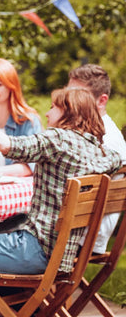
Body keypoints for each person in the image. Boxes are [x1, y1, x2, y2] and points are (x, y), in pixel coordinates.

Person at [0, 87, 122, 317]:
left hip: (33, 250)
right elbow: (118, 160)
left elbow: (7, 145)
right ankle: (4, 308)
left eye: (52, 107)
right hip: (65, 256)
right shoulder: (102, 153)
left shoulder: (57, 139)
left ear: (71, 113)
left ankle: (4, 310)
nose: (47, 114)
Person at [68, 63, 126, 254]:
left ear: (101, 101)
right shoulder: (87, 131)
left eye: (78, 96)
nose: (69, 101)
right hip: (82, 234)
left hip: (78, 239)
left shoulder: (105, 141)